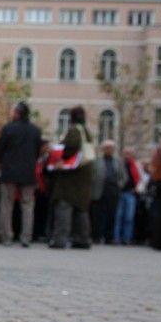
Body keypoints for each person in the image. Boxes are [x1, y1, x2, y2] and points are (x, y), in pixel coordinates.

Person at [0, 101, 42, 247]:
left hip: (9, 170)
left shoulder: (9, 128)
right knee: (27, 205)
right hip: (28, 172)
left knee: (6, 205)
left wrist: (5, 161)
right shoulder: (35, 130)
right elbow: (38, 151)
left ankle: (6, 236)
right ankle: (26, 236)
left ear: (16, 113)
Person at [49, 106, 94, 249]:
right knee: (81, 208)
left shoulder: (74, 130)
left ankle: (60, 239)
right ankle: (83, 239)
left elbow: (71, 146)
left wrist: (61, 156)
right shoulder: (86, 131)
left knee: (64, 206)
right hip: (83, 176)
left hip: (71, 176)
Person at [90, 140, 127, 245]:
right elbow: (92, 174)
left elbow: (124, 176)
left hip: (113, 189)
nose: (109, 150)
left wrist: (119, 185)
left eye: (111, 148)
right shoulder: (97, 160)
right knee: (96, 214)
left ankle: (109, 237)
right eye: (107, 148)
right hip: (99, 189)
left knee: (112, 214)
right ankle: (95, 236)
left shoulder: (118, 161)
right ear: (103, 149)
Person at [113, 147, 142, 245]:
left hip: (130, 193)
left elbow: (140, 178)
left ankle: (127, 238)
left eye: (129, 153)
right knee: (118, 217)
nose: (127, 155)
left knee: (129, 217)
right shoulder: (118, 164)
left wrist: (136, 188)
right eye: (126, 153)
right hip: (120, 192)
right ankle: (116, 238)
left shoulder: (135, 165)